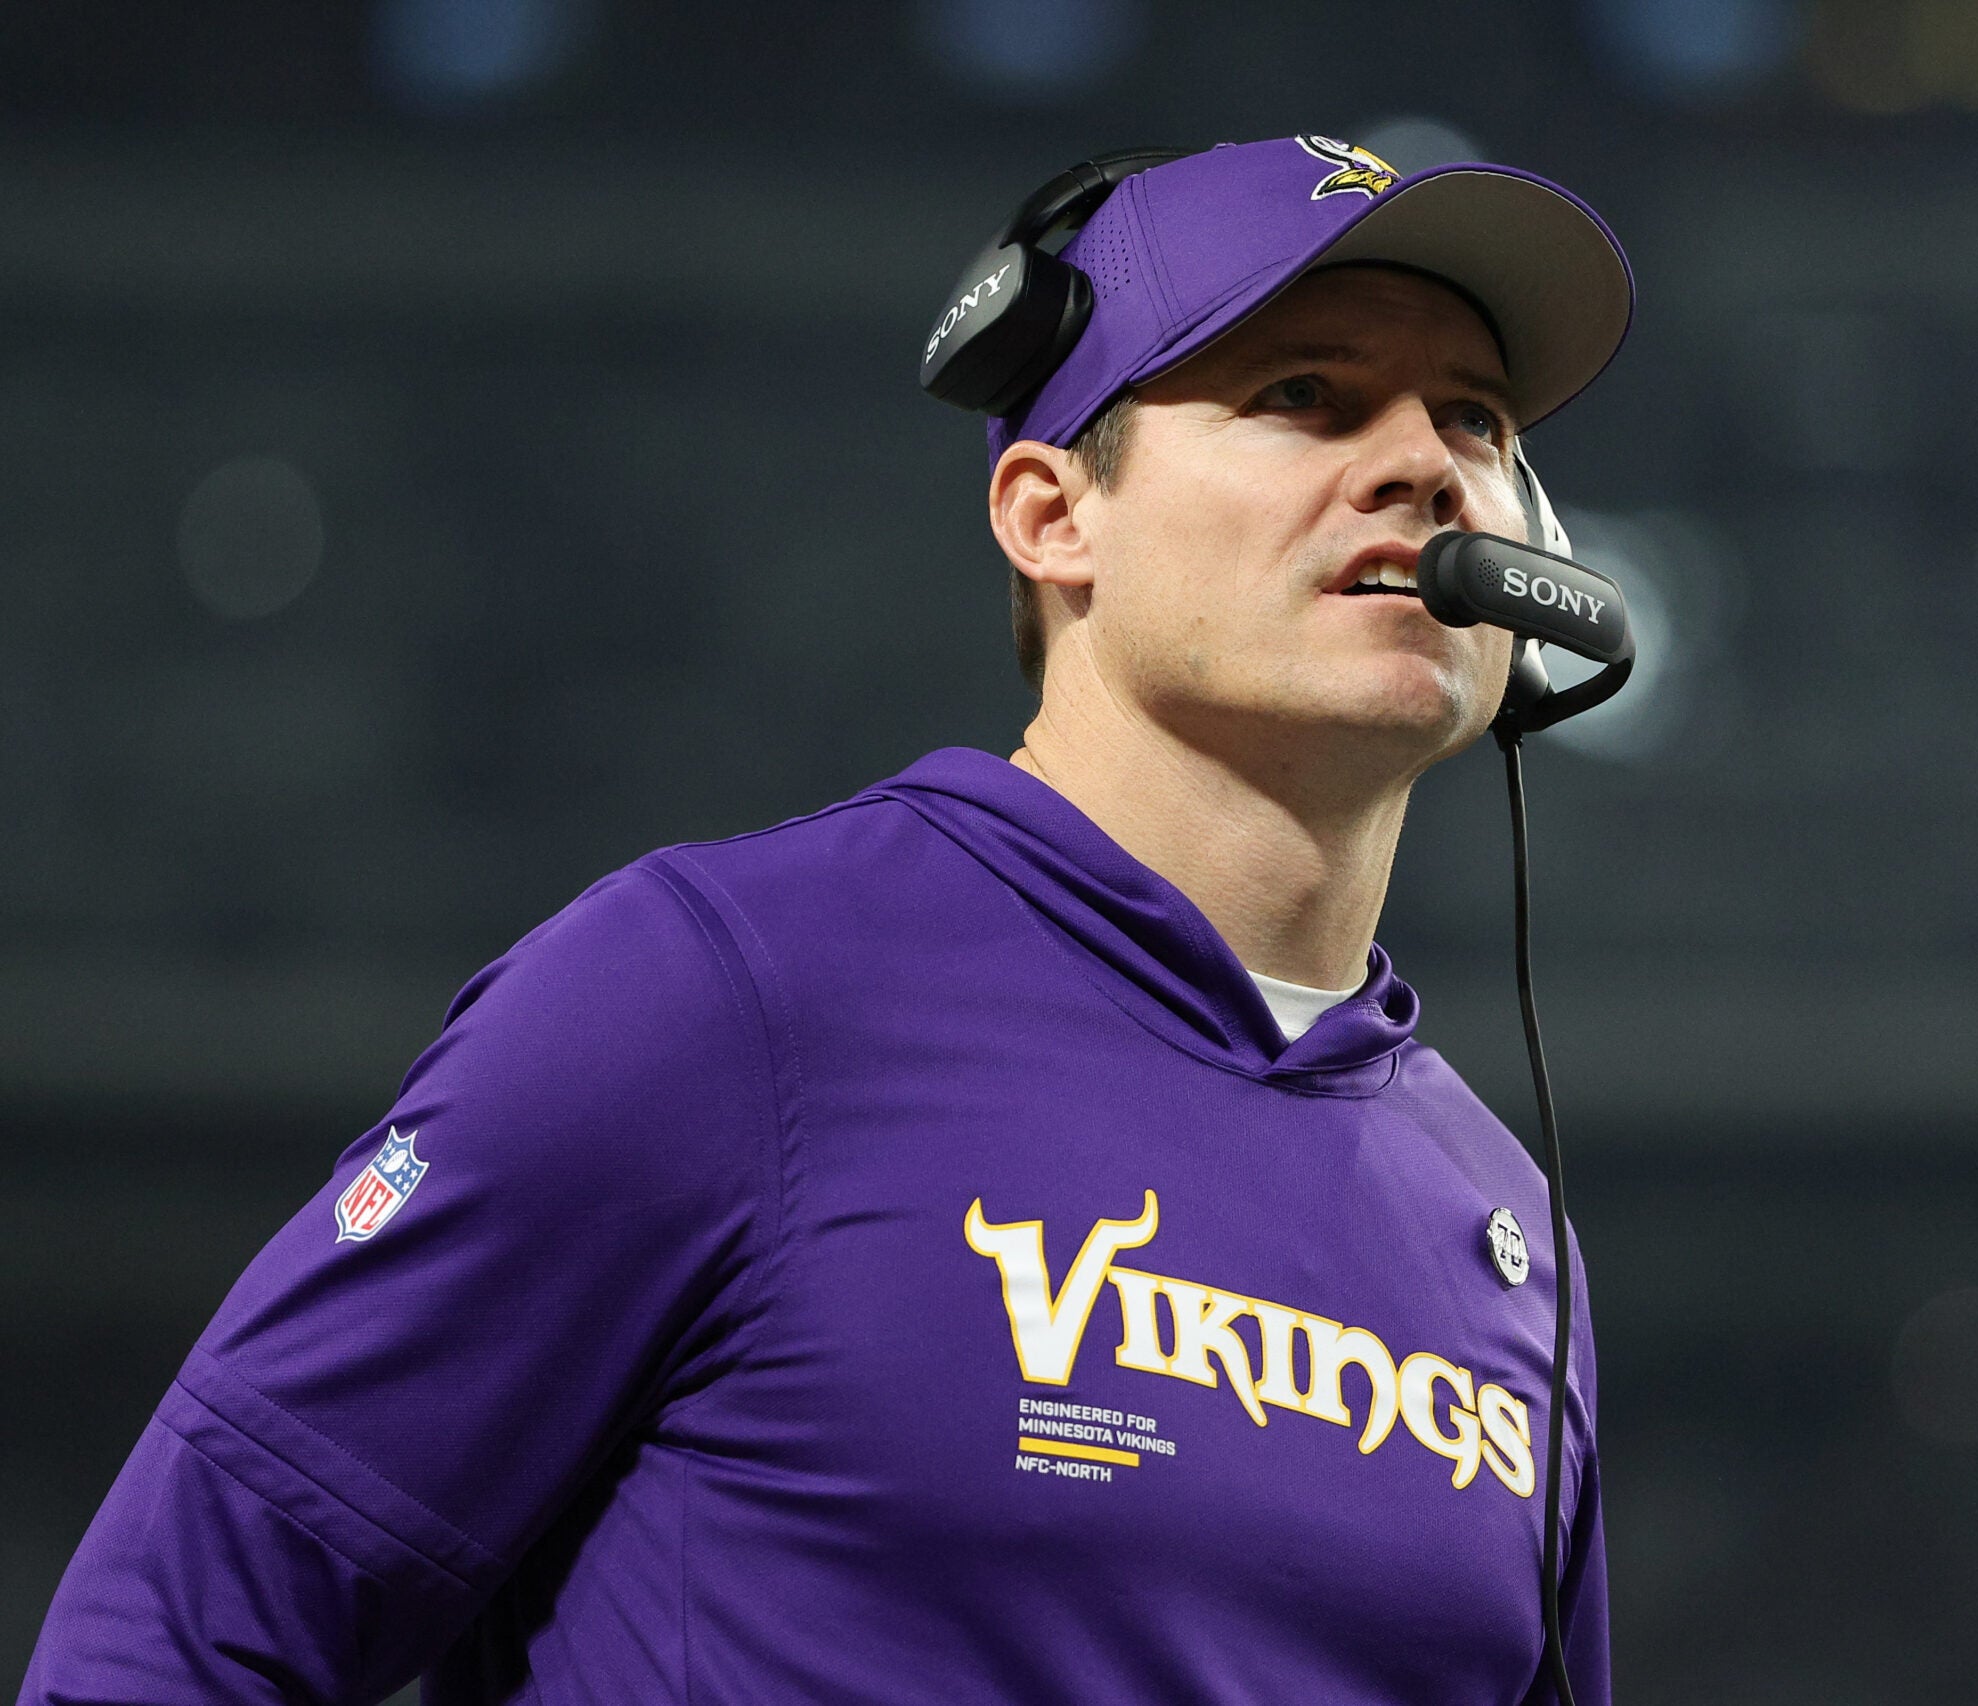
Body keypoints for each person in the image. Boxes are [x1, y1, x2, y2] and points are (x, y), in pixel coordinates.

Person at [20, 134, 1632, 1705]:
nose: (1429, 465)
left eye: (1478, 421)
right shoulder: (719, 995)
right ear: (1051, 513)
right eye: (1308, 394)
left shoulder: (1503, 1235)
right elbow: (181, 1635)